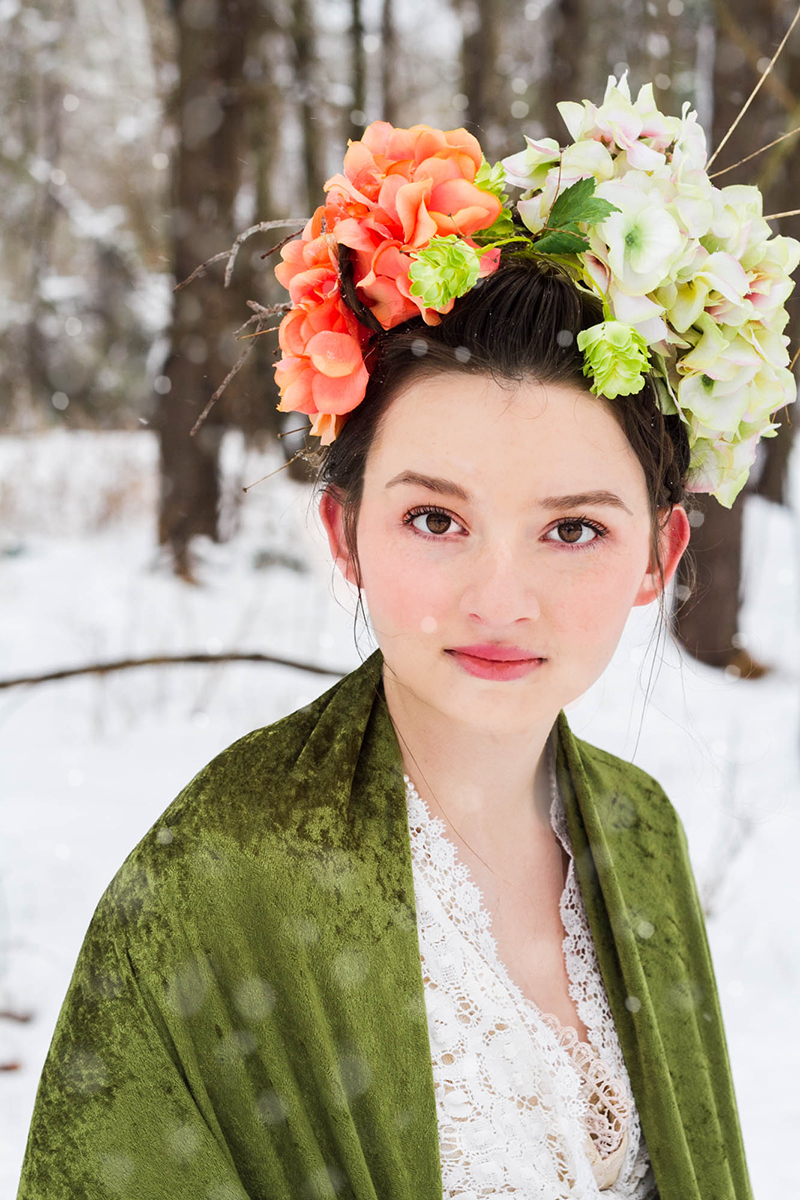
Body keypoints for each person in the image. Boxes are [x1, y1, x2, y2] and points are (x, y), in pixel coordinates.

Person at [17, 78, 797, 1200]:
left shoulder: (636, 832)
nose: (498, 596)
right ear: (344, 531)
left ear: (655, 560)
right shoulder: (225, 872)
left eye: (571, 528)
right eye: (435, 519)